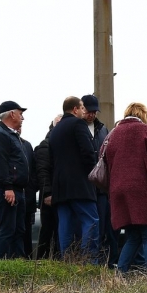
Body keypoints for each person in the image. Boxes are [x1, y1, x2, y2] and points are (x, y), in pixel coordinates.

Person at [102, 101, 147, 273]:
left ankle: (121, 273)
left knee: (133, 236)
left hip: (117, 190)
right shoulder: (144, 130)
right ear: (143, 115)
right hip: (139, 188)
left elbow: (104, 157)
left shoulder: (114, 132)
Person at [50, 97, 100, 259]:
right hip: (80, 184)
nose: (84, 111)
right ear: (75, 109)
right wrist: (92, 173)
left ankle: (67, 259)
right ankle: (88, 259)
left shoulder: (55, 130)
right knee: (91, 220)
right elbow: (87, 152)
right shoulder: (78, 124)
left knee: (65, 224)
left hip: (60, 186)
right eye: (82, 108)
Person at [0, 102, 31, 259]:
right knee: (7, 228)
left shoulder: (11, 134)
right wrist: (7, 187)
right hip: (7, 189)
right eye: (20, 113)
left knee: (19, 229)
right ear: (11, 114)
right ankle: (0, 265)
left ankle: (18, 261)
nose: (22, 117)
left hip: (17, 189)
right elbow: (0, 163)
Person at [82, 95, 115, 265]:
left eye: (95, 111)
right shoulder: (77, 127)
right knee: (87, 228)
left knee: (102, 228)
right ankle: (87, 261)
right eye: (89, 111)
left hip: (101, 187)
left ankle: (101, 262)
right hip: (84, 187)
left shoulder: (103, 129)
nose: (92, 114)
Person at [33, 116, 61, 259]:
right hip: (50, 197)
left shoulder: (58, 144)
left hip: (59, 195)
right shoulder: (46, 145)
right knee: (48, 232)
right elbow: (42, 171)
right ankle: (42, 262)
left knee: (58, 232)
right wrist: (47, 193)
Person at [19, 132, 36, 258]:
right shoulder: (0, 140)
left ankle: (27, 260)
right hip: (11, 197)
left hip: (28, 199)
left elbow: (34, 172)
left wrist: (32, 189)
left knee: (26, 234)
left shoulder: (27, 146)